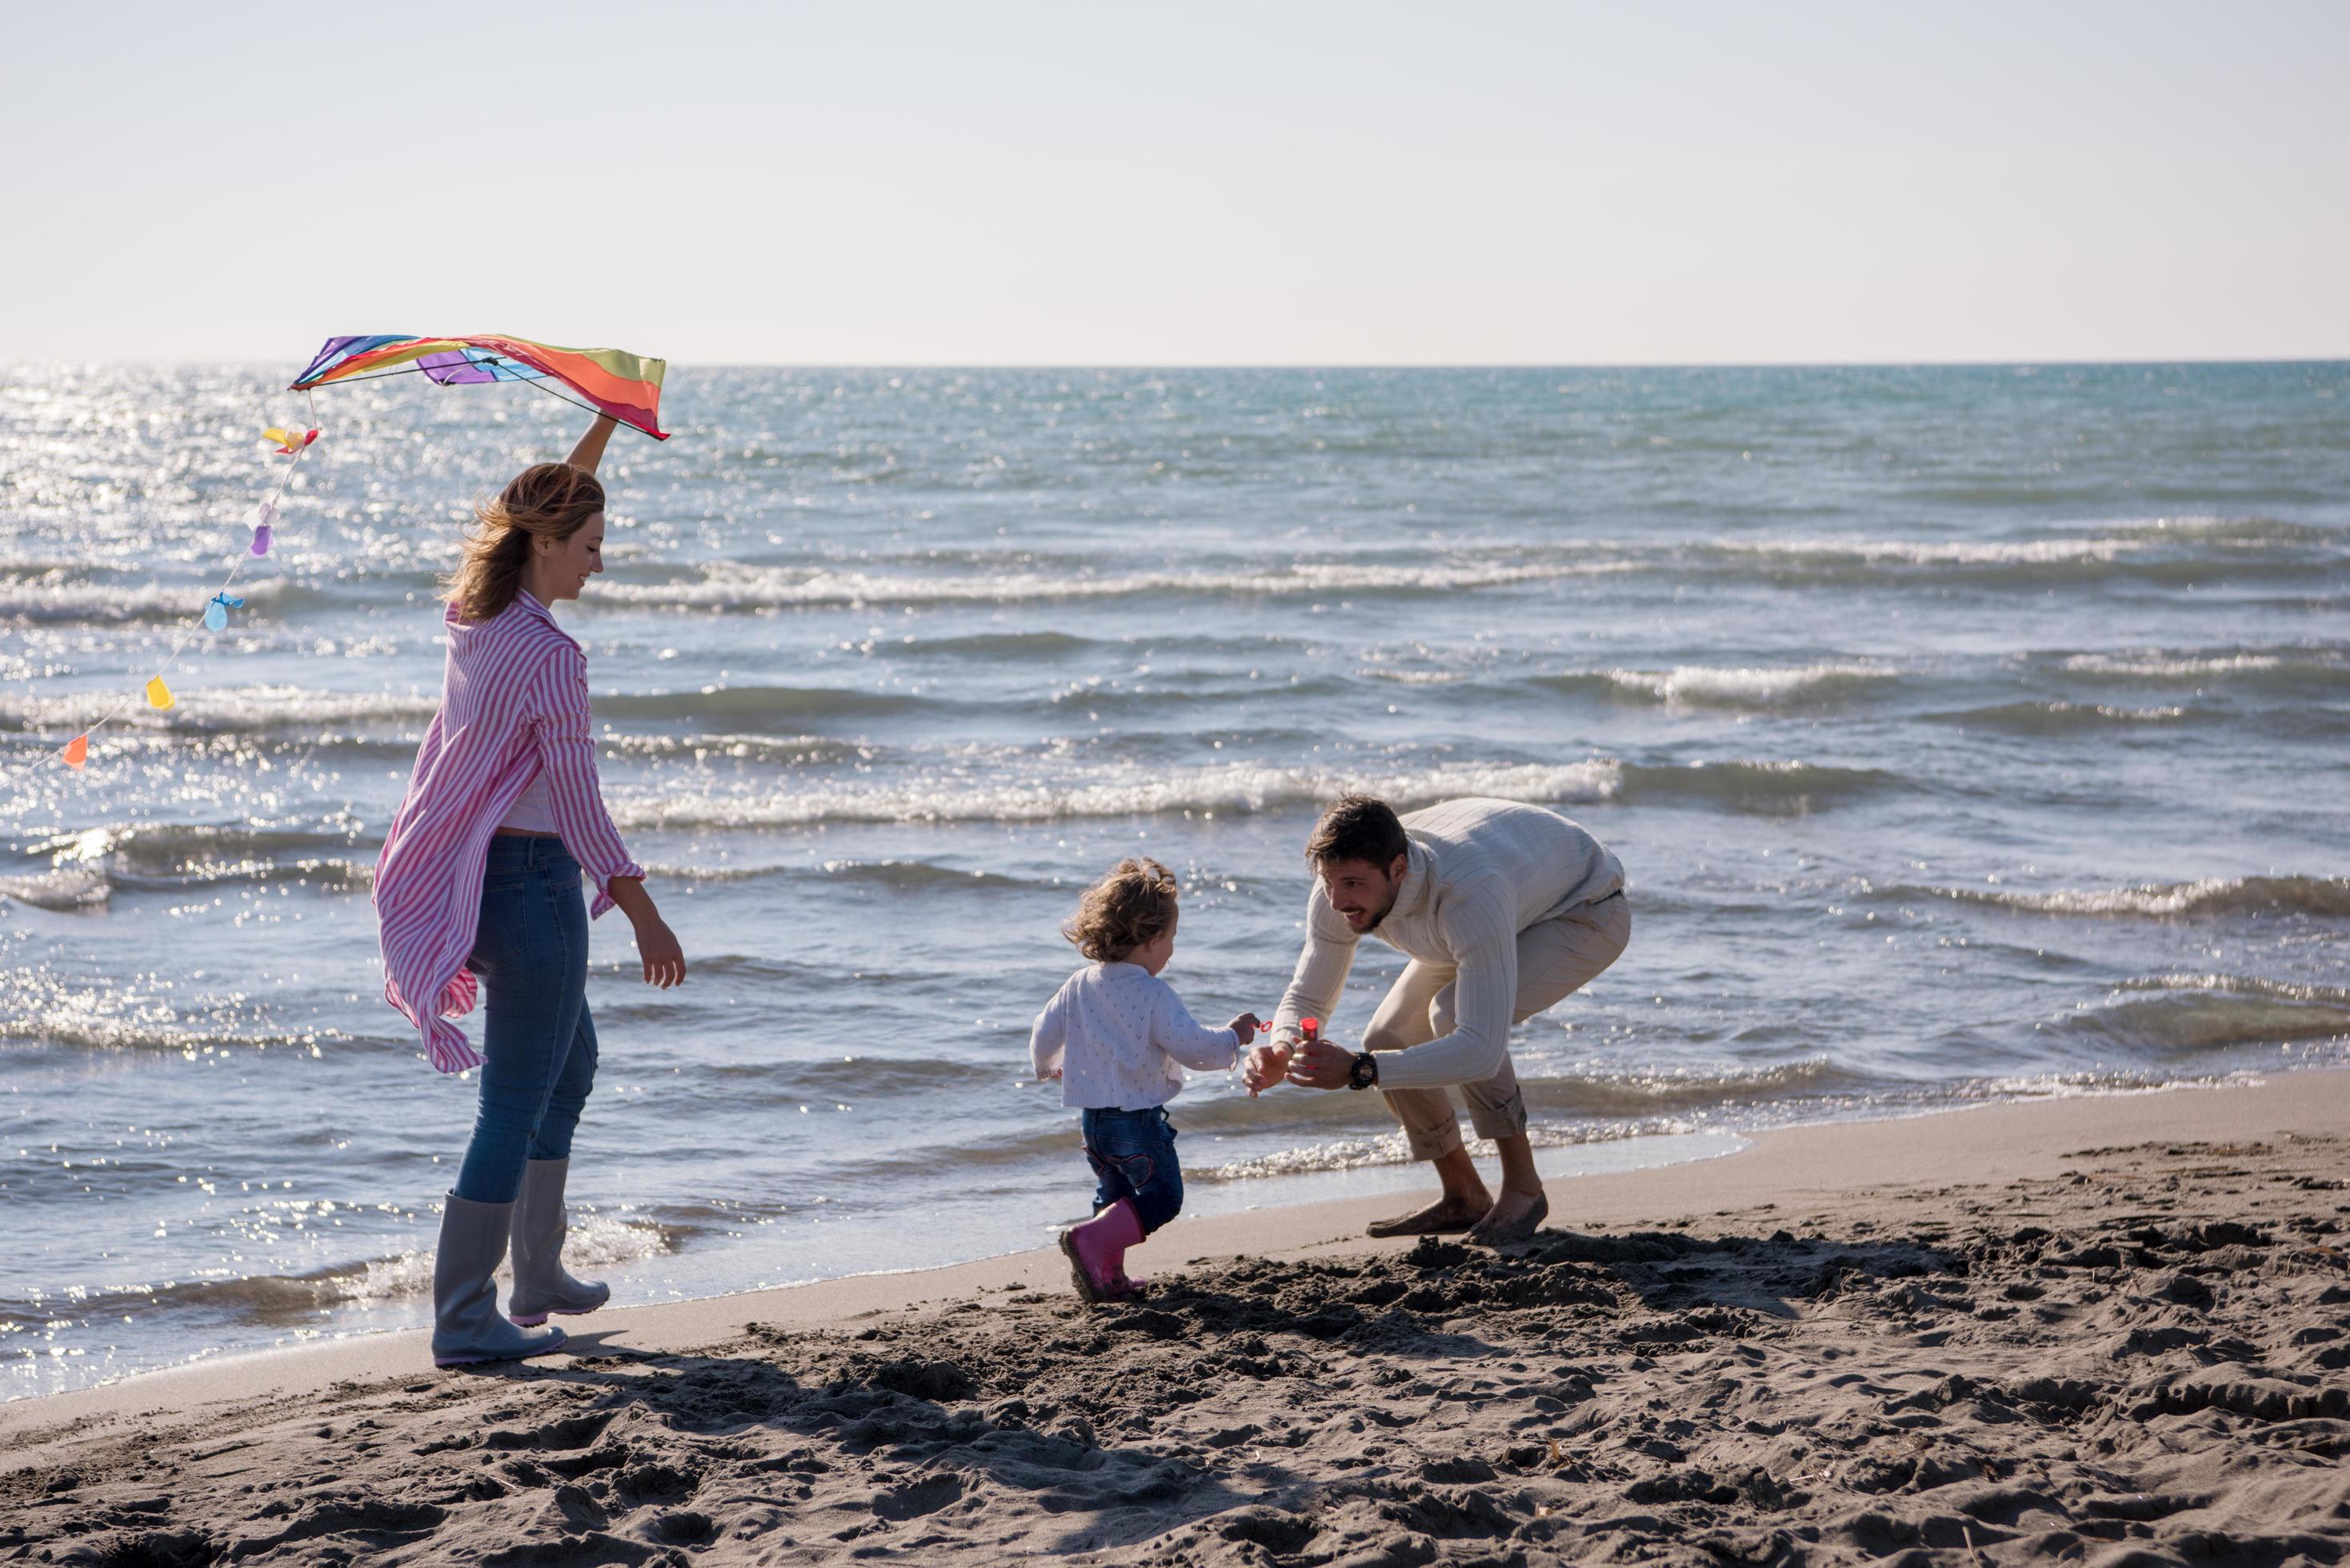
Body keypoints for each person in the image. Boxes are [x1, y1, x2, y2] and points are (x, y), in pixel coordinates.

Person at [374, 413, 688, 1367]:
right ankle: (466, 1318)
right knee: (512, 1104)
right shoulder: (553, 658)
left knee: (572, 1067)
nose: (600, 564)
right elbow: (585, 814)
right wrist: (644, 911)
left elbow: (534, 509)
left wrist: (604, 424)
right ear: (546, 545)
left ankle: (538, 1275)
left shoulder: (477, 619)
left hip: (488, 881)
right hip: (537, 890)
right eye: (591, 546)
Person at [1246, 795, 1627, 1246]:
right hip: (1490, 911)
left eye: (1352, 884)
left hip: (1583, 909)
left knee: (1450, 1016)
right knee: (1387, 1034)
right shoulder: (1339, 885)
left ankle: (1524, 1189)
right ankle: (1464, 1194)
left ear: (1399, 868)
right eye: (1328, 882)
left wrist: (1360, 1070)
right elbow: (1309, 993)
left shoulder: (1468, 893)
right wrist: (1283, 1045)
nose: (1337, 900)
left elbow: (1481, 1050)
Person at [1032, 858, 1262, 1303]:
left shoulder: (1078, 984)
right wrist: (1234, 1036)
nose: (1172, 952)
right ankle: (1091, 1244)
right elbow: (1193, 1047)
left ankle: (1106, 1275)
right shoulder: (1154, 994)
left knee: (1113, 1191)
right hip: (1137, 1122)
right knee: (1162, 1196)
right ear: (1150, 940)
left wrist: (1047, 1066)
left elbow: (1043, 1032)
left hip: (1092, 1124)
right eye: (1170, 940)